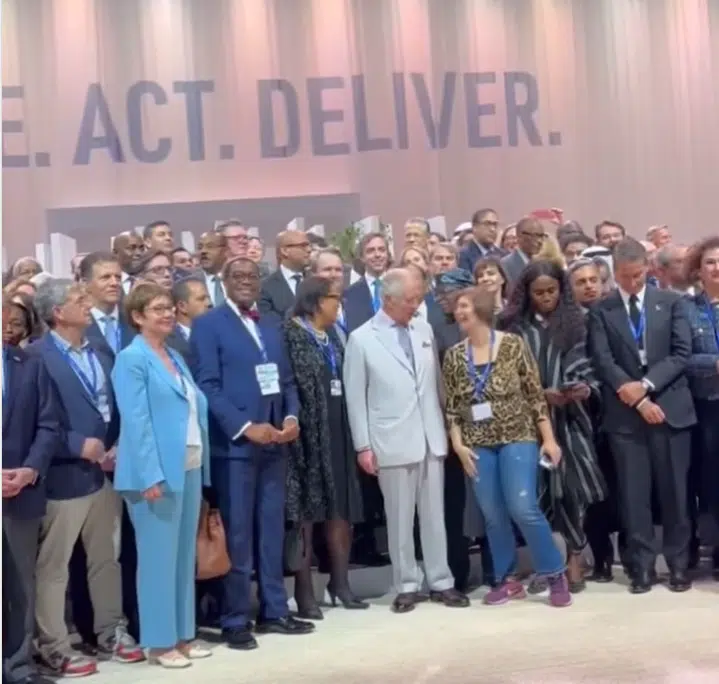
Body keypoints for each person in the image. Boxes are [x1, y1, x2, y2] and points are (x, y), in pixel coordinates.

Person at [190, 257, 314, 650]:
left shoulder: (272, 324)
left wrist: (291, 417)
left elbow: (288, 381)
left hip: (276, 445)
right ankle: (235, 618)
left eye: (252, 276)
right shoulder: (209, 326)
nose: (246, 282)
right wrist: (246, 427)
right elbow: (207, 385)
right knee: (239, 534)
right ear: (223, 282)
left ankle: (275, 610)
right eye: (237, 276)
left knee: (272, 531)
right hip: (237, 447)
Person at [28, 279, 143, 676]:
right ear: (58, 312)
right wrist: (77, 445)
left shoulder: (98, 350)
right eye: (78, 300)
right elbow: (34, 421)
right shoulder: (36, 356)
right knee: (55, 566)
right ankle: (54, 645)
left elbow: (112, 405)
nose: (87, 304)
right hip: (64, 475)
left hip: (105, 472)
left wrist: (115, 445)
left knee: (105, 559)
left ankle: (111, 631)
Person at [343, 268, 469, 613]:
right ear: (388, 299)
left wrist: (447, 425)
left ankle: (441, 580)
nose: (417, 306)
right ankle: (407, 583)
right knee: (399, 517)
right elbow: (355, 397)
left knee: (434, 515)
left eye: (418, 299)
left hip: (430, 434)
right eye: (411, 300)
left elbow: (437, 384)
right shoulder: (362, 338)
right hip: (390, 437)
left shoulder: (424, 329)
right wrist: (363, 446)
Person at [442, 287, 572, 607]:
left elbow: (534, 395)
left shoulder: (513, 345)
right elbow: (453, 408)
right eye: (457, 308)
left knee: (522, 507)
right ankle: (506, 578)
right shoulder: (455, 356)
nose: (458, 313)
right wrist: (458, 445)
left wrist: (549, 439)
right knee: (492, 513)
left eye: (464, 306)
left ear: (482, 309)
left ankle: (554, 572)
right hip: (477, 444)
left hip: (518, 436)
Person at [587, 238, 696, 594]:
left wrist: (646, 386)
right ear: (614, 272)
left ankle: (679, 565)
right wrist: (635, 398)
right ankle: (641, 567)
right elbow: (603, 361)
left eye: (638, 275)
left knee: (675, 494)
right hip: (626, 417)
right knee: (635, 497)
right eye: (625, 276)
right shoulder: (602, 310)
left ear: (647, 269)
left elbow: (681, 354)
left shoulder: (671, 302)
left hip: (670, 409)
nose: (632, 283)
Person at [111, 283, 212, 668]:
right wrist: (150, 475)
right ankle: (158, 641)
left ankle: (183, 634)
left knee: (183, 557)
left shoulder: (172, 354)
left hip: (186, 465)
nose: (168, 314)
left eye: (170, 308)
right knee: (156, 560)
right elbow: (136, 423)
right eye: (158, 309)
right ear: (138, 316)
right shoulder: (131, 359)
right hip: (152, 474)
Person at [499, 261, 607, 592]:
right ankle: (549, 562)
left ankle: (575, 556)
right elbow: (505, 377)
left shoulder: (580, 321)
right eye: (539, 292)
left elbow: (592, 366)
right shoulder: (512, 328)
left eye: (552, 290)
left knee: (574, 488)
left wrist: (584, 389)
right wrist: (539, 395)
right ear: (526, 293)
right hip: (529, 422)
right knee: (536, 492)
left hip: (573, 419)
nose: (547, 297)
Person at [283, 276, 366, 618]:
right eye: (335, 299)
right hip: (305, 437)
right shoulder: (290, 333)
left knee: (340, 510)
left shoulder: (334, 334)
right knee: (306, 515)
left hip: (338, 430)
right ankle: (304, 593)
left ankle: (341, 583)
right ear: (316, 301)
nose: (339, 305)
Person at [3, 295, 60, 684]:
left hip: (21, 490)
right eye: (3, 315)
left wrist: (30, 470)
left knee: (21, 583)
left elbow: (49, 424)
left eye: (17, 318)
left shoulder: (32, 366)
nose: (9, 322)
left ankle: (18, 665)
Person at [683, 236, 719, 578]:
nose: (717, 268)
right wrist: (714, 364)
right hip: (704, 405)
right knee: (707, 479)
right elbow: (681, 357)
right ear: (698, 270)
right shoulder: (687, 308)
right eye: (710, 262)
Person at [258, 231, 311, 324]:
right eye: (303, 246)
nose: (309, 250)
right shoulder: (265, 288)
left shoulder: (317, 281)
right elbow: (268, 325)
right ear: (285, 251)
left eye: (308, 245)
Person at [500, 216, 546, 288]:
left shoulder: (542, 263)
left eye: (541, 236)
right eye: (535, 235)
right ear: (519, 236)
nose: (539, 241)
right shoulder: (505, 265)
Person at [458, 209, 505, 273]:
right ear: (474, 227)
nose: (492, 229)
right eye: (487, 224)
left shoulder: (504, 255)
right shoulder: (463, 255)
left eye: (495, 224)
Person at [197, 232, 228, 307]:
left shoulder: (237, 279)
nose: (203, 251)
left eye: (210, 247)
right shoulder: (191, 281)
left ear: (225, 251)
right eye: (200, 247)